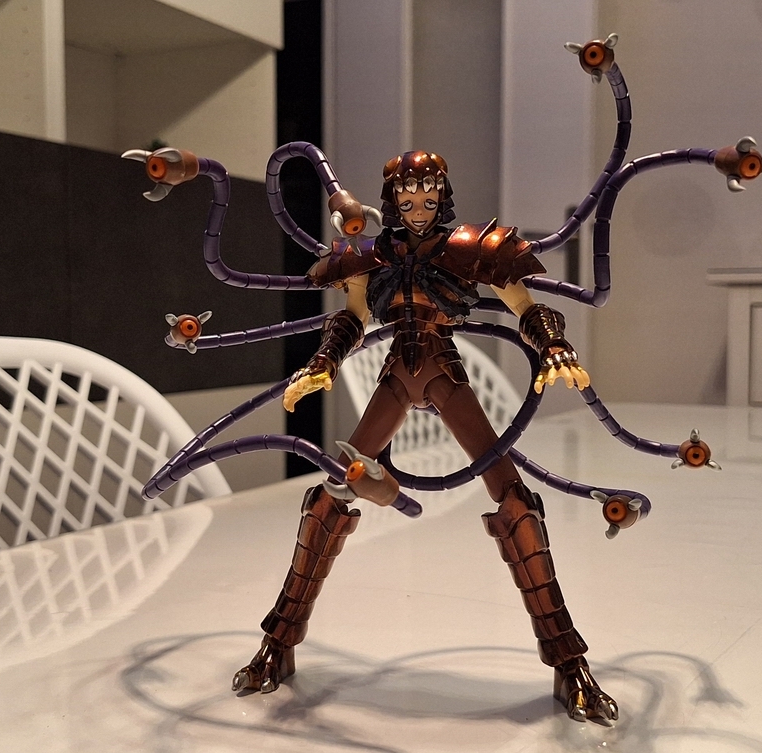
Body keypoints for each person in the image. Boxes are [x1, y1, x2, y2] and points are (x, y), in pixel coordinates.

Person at [231, 150, 618, 723]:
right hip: (396, 374)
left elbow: (525, 306)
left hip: (443, 371)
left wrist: (555, 347)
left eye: (429, 198)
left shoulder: (471, 247)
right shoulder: (370, 254)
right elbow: (353, 316)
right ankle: (278, 642)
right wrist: (324, 363)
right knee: (330, 497)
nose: (418, 209)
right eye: (408, 199)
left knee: (515, 502)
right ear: (391, 201)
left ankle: (569, 662)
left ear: (443, 198)